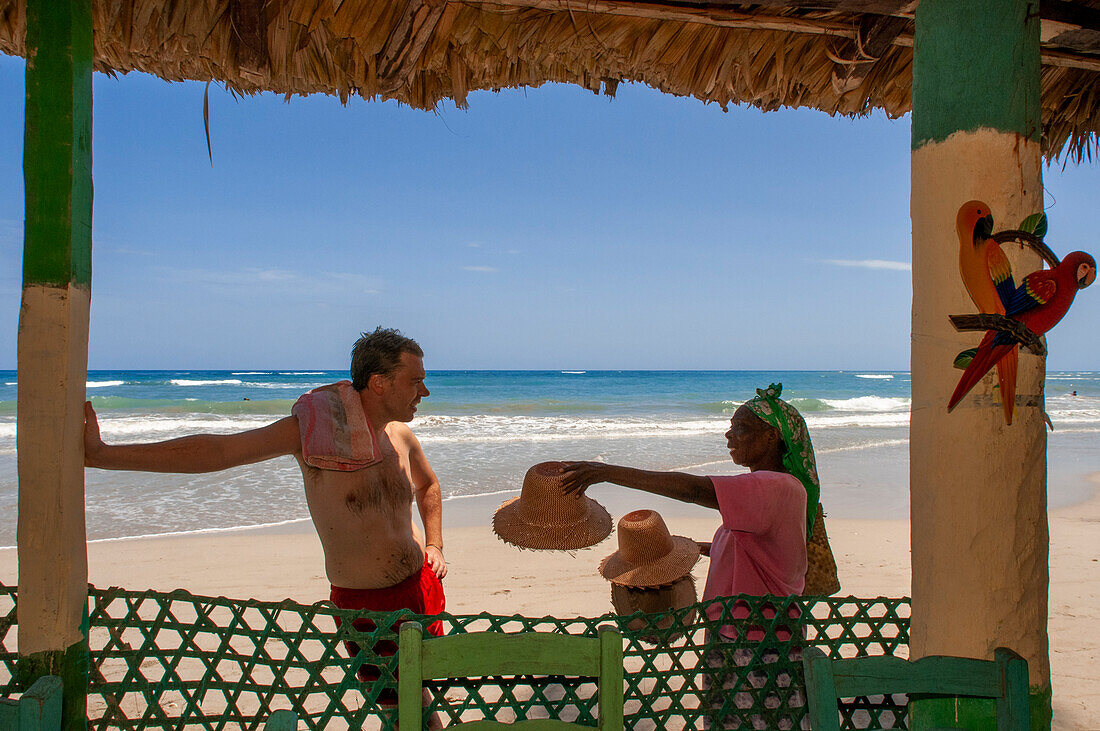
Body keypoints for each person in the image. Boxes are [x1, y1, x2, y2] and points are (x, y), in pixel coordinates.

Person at [83, 327, 447, 713]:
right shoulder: (312, 434)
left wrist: (434, 544)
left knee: (427, 686)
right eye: (416, 381)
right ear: (378, 383)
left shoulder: (401, 437)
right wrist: (103, 456)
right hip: (366, 607)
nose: (423, 392)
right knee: (400, 708)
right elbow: (217, 452)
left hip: (421, 588)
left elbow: (428, 486)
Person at [559, 383, 819, 730]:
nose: (729, 435)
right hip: (746, 631)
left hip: (754, 640)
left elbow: (694, 490)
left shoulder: (772, 486)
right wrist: (701, 548)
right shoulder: (777, 489)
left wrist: (608, 473)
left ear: (772, 436)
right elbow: (759, 552)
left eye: (740, 427)